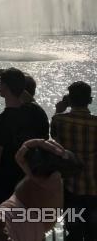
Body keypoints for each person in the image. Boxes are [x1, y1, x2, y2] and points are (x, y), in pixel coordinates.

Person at [0, 67, 48, 208]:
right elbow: (29, 99)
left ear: (3, 87)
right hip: (29, 183)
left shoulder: (2, 120)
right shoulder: (38, 113)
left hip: (3, 186)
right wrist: (13, 82)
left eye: (1, 84)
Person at [51, 81, 97, 241]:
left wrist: (59, 109)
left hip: (71, 188)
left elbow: (54, 141)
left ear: (69, 100)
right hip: (95, 190)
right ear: (90, 100)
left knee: (74, 233)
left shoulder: (59, 120)